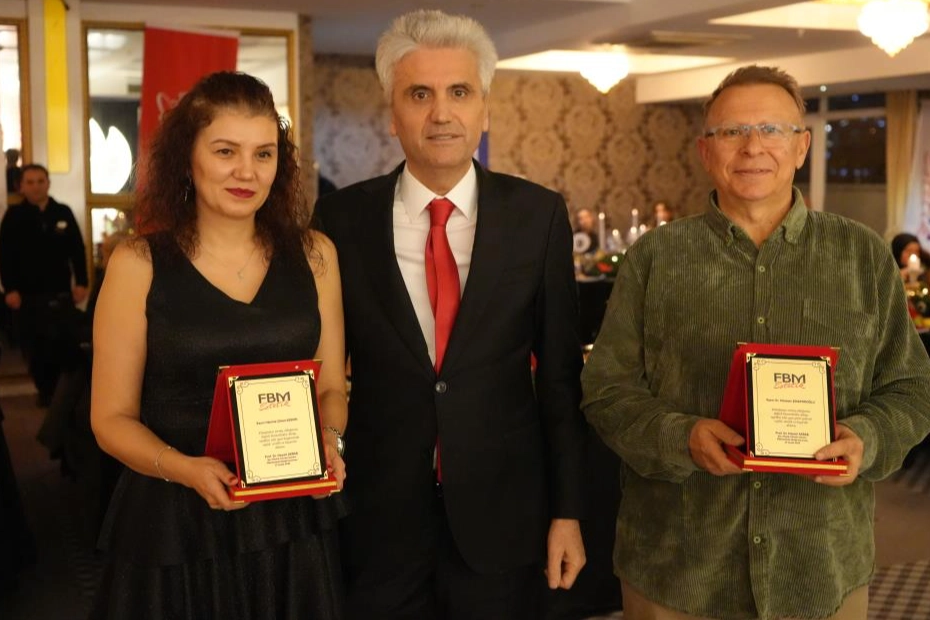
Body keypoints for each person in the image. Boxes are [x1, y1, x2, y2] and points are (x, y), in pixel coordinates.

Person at [581, 64, 930, 620]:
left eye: (772, 129)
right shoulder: (655, 259)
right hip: (678, 566)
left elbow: (912, 387)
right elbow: (606, 390)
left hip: (819, 566)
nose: (752, 147)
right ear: (705, 150)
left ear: (801, 146)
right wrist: (680, 436)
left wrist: (867, 438)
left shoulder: (863, 256)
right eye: (731, 132)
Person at [316, 9, 587, 620]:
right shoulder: (340, 221)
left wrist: (568, 512)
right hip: (378, 520)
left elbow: (560, 380)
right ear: (393, 113)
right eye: (420, 94)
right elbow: (324, 366)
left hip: (503, 517)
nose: (441, 113)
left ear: (485, 108)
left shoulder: (537, 217)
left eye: (459, 92)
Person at [89, 71, 347, 619]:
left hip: (288, 514)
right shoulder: (138, 263)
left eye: (263, 154)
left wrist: (330, 442)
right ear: (188, 158)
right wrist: (185, 469)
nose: (246, 172)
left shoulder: (316, 254)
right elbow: (109, 419)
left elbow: (331, 388)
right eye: (226, 151)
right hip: (174, 515)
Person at [0, 163, 88, 406]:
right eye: (30, 182)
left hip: (60, 292)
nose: (36, 186)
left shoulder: (63, 212)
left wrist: (81, 282)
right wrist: (10, 289)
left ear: (48, 183)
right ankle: (46, 393)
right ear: (21, 186)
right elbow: (5, 255)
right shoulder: (14, 216)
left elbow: (77, 250)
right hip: (27, 296)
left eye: (40, 181)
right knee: (35, 348)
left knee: (64, 345)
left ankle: (63, 397)